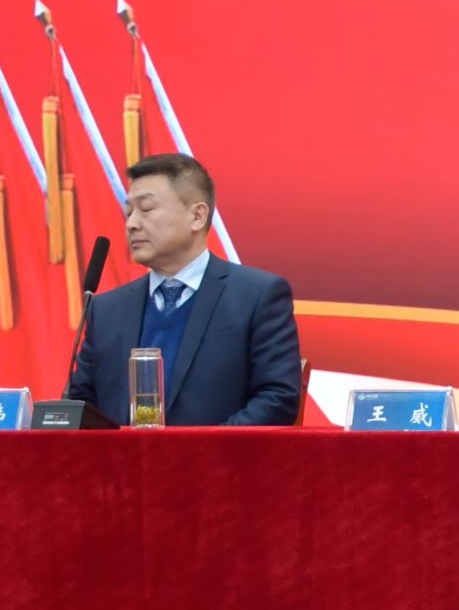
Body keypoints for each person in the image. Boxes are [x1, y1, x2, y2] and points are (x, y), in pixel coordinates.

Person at [65, 153, 301, 426]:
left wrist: (202, 447)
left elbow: (277, 398)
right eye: (129, 212)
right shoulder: (106, 309)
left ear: (197, 216)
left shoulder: (256, 297)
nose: (131, 224)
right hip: (122, 454)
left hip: (218, 453)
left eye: (146, 209)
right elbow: (80, 403)